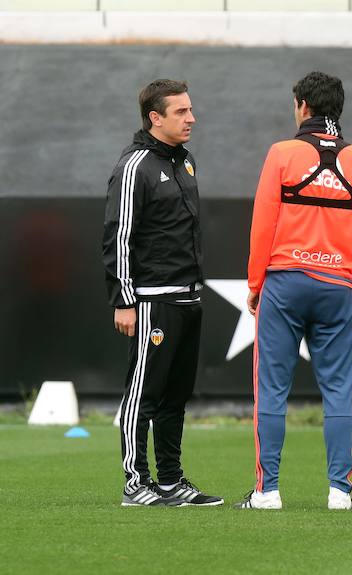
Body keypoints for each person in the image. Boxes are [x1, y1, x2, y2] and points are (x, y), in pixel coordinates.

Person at [236, 71, 352, 510]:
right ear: (338, 108)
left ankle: (268, 491)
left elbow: (263, 222)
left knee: (272, 388)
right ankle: (340, 492)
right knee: (339, 390)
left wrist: (256, 283)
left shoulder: (281, 153)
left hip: (284, 282)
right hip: (337, 286)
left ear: (301, 105)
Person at [101, 79, 222, 507]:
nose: (191, 118)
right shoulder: (135, 166)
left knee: (176, 395)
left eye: (190, 110)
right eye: (181, 112)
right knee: (144, 394)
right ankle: (136, 483)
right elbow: (119, 235)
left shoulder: (185, 162)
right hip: (153, 298)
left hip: (189, 297)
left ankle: (171, 482)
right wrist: (124, 299)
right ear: (156, 118)